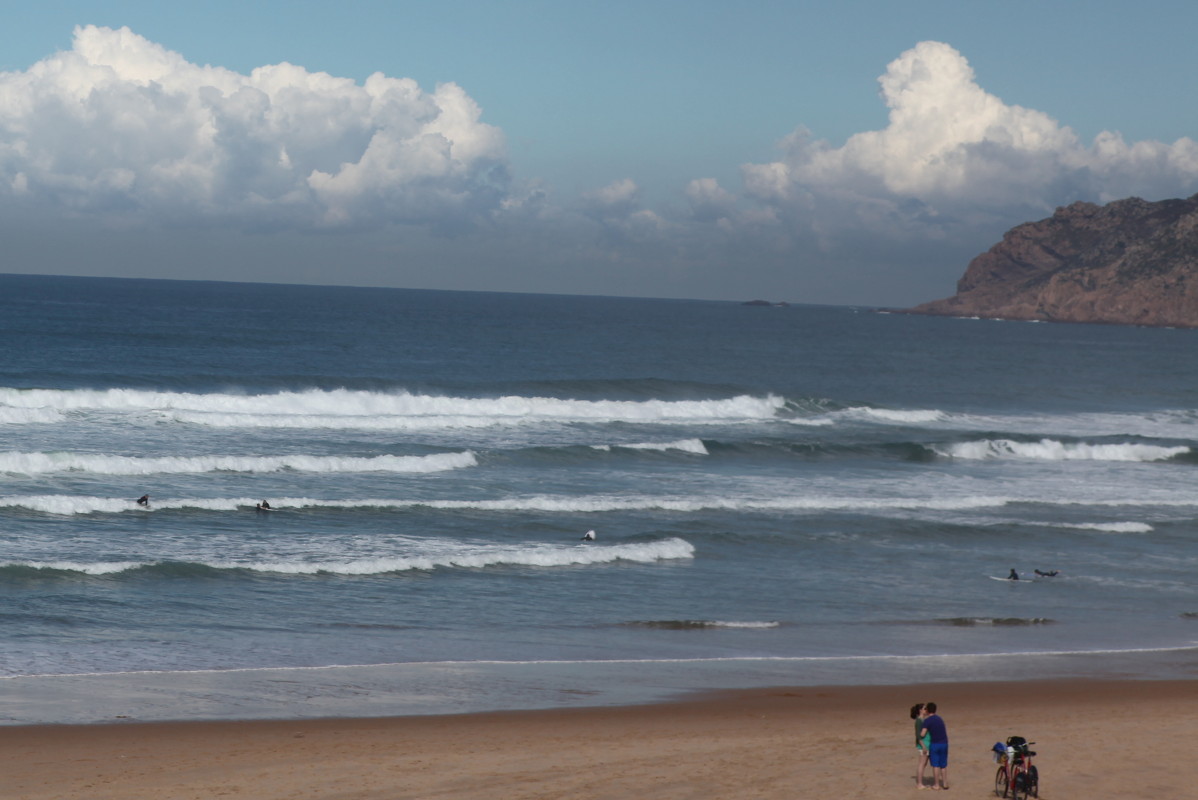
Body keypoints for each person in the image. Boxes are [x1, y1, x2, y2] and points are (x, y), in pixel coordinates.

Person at [917, 701, 949, 790]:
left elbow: (922, 734)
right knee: (943, 765)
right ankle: (945, 783)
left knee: (935, 765)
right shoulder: (940, 718)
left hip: (935, 744)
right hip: (944, 743)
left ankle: (936, 784)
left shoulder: (927, 721)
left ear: (927, 710)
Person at [910, 703, 931, 788]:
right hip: (923, 745)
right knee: (922, 763)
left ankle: (920, 782)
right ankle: (919, 783)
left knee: (924, 763)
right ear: (920, 710)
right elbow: (918, 735)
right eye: (925, 708)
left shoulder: (923, 720)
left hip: (926, 744)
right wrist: (923, 746)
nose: (926, 710)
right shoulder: (919, 721)